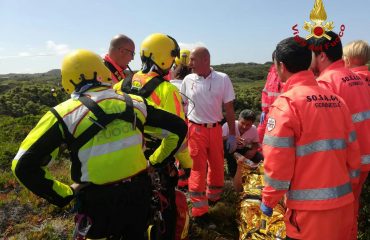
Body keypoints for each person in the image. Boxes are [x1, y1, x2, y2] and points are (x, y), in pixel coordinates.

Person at [11, 49, 187, 240]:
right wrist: (155, 161)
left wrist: (64, 194)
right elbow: (178, 128)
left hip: (96, 203)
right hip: (138, 195)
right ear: (101, 72)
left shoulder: (63, 115)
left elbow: (22, 165)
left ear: (68, 80)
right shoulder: (135, 104)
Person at [260, 37, 361, 240]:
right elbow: (353, 154)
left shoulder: (286, 105)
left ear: (281, 66)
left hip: (309, 215)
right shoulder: (336, 101)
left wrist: (269, 200)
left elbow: (278, 167)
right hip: (344, 207)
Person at [114, 33, 192, 240]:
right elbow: (179, 135)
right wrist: (187, 165)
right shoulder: (167, 90)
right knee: (164, 213)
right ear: (165, 57)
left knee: (131, 216)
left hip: (125, 162)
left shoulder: (120, 86)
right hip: (156, 163)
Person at [309, 31, 370, 239]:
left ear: (322, 55)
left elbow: (325, 130)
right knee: (350, 213)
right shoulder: (357, 78)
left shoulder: (326, 83)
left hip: (345, 164)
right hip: (363, 160)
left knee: (333, 222)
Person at [181, 46, 237, 222]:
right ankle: (199, 211)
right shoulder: (188, 80)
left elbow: (229, 109)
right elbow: (183, 105)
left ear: (206, 60)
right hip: (195, 129)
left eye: (193, 59)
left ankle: (214, 198)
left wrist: (233, 134)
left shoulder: (222, 79)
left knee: (217, 165)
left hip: (215, 129)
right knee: (198, 169)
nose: (189, 64)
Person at [222, 109, 263, 178]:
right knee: (229, 146)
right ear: (238, 119)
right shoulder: (228, 125)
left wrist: (253, 151)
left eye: (248, 125)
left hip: (241, 149)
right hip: (226, 149)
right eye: (242, 123)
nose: (244, 126)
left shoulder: (253, 129)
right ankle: (232, 172)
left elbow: (255, 143)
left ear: (252, 123)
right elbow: (219, 138)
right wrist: (232, 138)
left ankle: (253, 172)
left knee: (259, 157)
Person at [257, 51, 283, 143]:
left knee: (274, 139)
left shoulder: (286, 74)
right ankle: (262, 157)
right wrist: (264, 110)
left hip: (280, 114)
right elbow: (265, 91)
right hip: (268, 113)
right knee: (259, 136)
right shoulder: (271, 73)